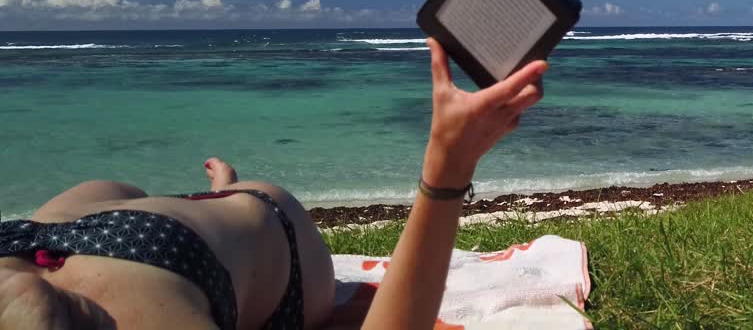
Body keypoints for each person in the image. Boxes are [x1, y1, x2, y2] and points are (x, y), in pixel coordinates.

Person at [0, 38, 548, 329]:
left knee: (121, 189)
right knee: (241, 208)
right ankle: (225, 194)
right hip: (272, 234)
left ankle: (216, 196)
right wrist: (448, 168)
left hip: (68, 227)